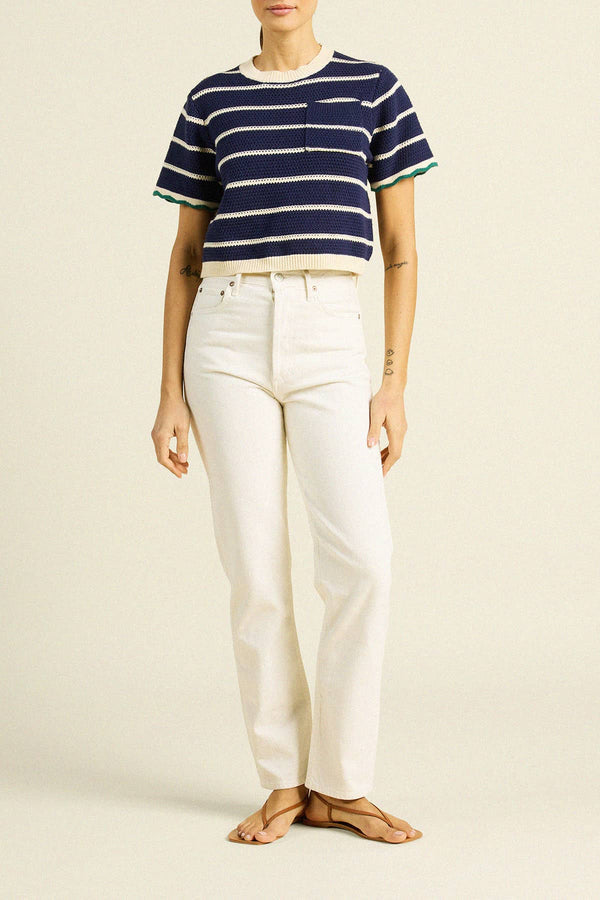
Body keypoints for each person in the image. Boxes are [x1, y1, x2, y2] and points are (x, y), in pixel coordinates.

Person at [150, 0, 437, 845]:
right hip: (226, 332)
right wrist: (169, 392)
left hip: (330, 328)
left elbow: (401, 250)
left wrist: (393, 384)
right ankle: (283, 780)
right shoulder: (211, 99)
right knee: (256, 570)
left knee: (364, 562)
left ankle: (341, 785)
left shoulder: (374, 88)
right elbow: (186, 256)